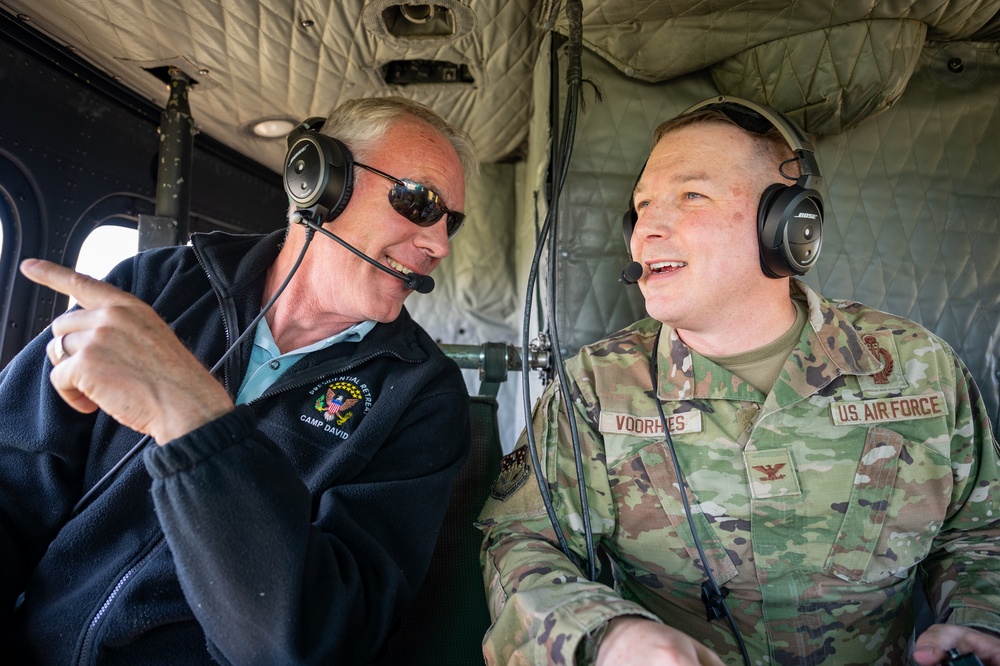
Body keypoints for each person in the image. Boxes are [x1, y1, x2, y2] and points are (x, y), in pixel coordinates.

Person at [477, 96, 1000, 665]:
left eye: (690, 196)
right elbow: (526, 543)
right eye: (641, 206)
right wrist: (606, 635)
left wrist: (980, 622)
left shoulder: (918, 367)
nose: (645, 229)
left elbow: (979, 534)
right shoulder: (594, 387)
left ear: (789, 225)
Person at [0, 96, 478, 663]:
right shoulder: (154, 286)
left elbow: (314, 641)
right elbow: (11, 490)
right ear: (319, 181)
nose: (439, 245)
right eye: (420, 203)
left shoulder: (423, 396)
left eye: (452, 221)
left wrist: (196, 417)